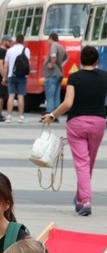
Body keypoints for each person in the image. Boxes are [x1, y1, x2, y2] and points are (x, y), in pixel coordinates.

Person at [41, 45, 107, 217]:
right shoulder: (104, 76)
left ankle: (85, 201)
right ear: (97, 61)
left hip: (77, 123)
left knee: (82, 164)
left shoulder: (75, 78)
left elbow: (68, 103)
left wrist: (52, 115)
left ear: (80, 60)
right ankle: (80, 197)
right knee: (88, 163)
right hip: (98, 122)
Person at [3, 34, 30, 123]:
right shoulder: (26, 50)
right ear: (23, 41)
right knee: (20, 96)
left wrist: (4, 77)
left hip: (11, 75)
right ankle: (21, 116)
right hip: (22, 76)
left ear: (15, 40)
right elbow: (28, 64)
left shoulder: (10, 50)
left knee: (11, 95)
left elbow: (5, 65)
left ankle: (9, 116)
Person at [43, 32, 68, 119]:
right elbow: (66, 58)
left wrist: (52, 64)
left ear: (51, 39)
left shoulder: (54, 46)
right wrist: (61, 65)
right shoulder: (61, 47)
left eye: (48, 40)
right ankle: (56, 115)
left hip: (52, 74)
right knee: (56, 95)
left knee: (50, 95)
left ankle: (49, 115)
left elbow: (53, 56)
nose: (47, 42)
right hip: (59, 74)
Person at [0, 35, 13, 122]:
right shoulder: (1, 51)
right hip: (1, 76)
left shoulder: (4, 51)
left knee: (3, 95)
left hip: (3, 76)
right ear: (4, 41)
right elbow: (0, 65)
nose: (10, 43)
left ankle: (0, 114)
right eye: (9, 41)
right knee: (0, 96)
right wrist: (4, 77)